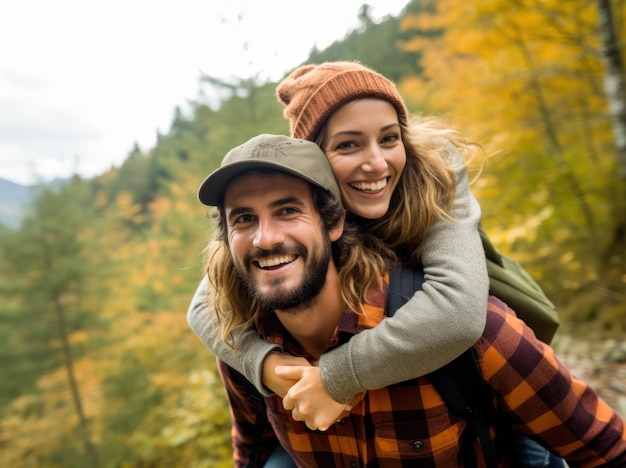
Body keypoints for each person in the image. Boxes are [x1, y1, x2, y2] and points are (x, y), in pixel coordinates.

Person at [200, 133, 626, 467]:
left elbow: (606, 449)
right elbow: (251, 454)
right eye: (244, 219)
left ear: (333, 224)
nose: (265, 237)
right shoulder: (246, 348)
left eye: (288, 210)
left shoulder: (469, 336)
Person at [188, 61, 490, 431]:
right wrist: (266, 364)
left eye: (389, 138)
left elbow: (459, 311)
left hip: (494, 370)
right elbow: (204, 306)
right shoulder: (290, 214)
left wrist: (335, 377)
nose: (376, 163)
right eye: (348, 145)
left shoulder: (435, 174)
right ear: (313, 162)